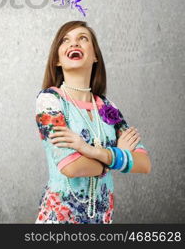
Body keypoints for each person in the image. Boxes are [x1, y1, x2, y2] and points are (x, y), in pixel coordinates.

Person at [34, 20, 151, 223]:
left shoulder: (108, 108)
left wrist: (91, 151)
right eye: (65, 40)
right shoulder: (50, 101)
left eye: (83, 38)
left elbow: (144, 163)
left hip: (102, 219)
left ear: (95, 56)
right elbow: (71, 167)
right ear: (57, 60)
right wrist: (113, 160)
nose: (74, 44)